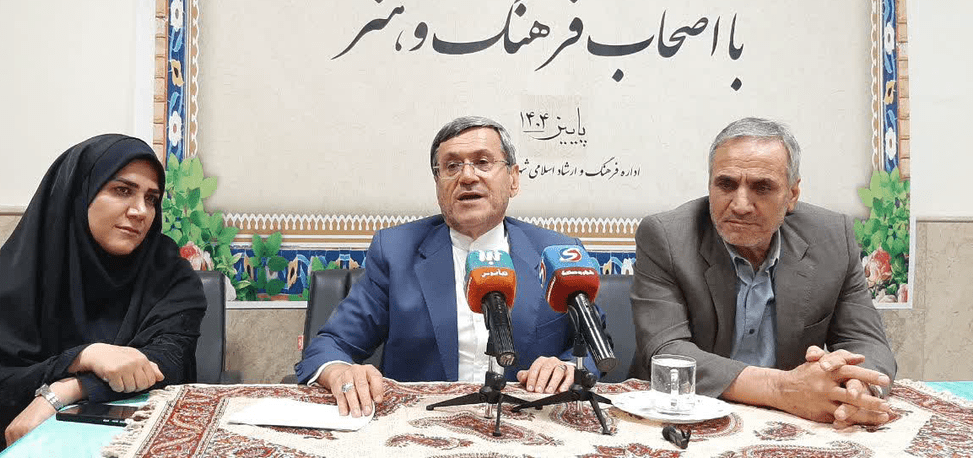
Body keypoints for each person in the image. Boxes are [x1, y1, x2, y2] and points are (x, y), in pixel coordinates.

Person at [294, 116, 601, 417]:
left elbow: (595, 345)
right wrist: (339, 372)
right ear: (437, 183)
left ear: (513, 179)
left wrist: (569, 367)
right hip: (421, 424)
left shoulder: (556, 252)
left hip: (531, 420)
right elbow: (330, 345)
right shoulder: (396, 251)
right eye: (452, 166)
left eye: (483, 162)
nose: (467, 176)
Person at [631, 117, 898, 428]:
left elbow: (866, 341)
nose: (741, 205)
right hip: (685, 414)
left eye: (762, 187)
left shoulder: (832, 237)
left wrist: (856, 389)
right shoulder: (666, 237)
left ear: (792, 194)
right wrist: (782, 388)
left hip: (789, 420)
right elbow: (667, 353)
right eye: (726, 184)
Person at [0, 134, 207, 456]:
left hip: (139, 444)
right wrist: (85, 356)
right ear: (80, 193)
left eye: (151, 198)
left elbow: (167, 363)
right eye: (122, 190)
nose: (140, 211)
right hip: (29, 444)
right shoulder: (23, 273)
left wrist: (65, 390)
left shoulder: (168, 272)